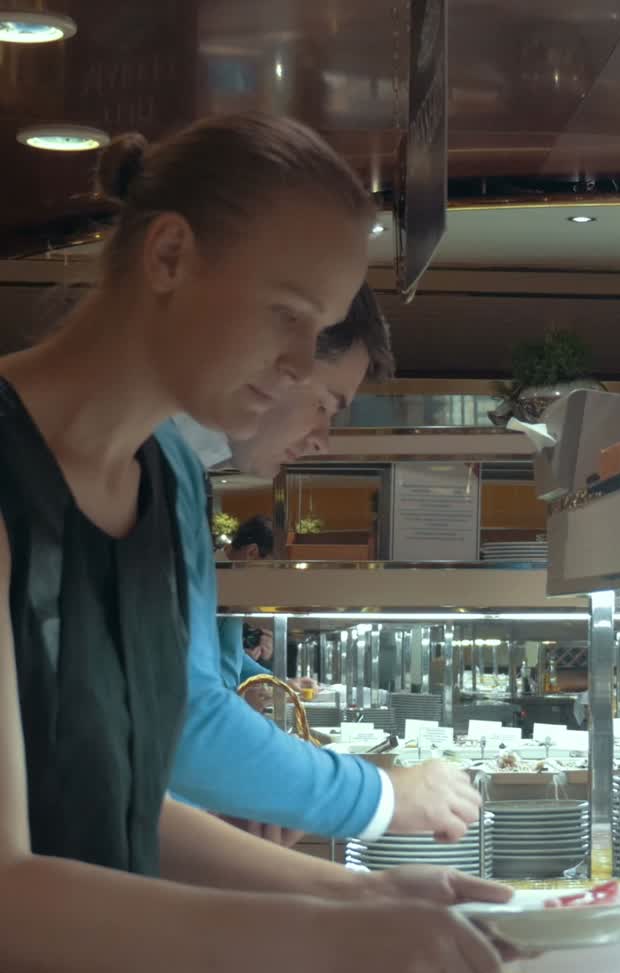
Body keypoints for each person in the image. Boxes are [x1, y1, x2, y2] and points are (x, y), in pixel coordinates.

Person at [0, 111, 508, 973]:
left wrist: (382, 898)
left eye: (320, 330)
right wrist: (332, 928)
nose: (299, 366)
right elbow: (10, 890)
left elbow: (119, 802)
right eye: (289, 318)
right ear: (168, 256)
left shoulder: (153, 490)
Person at [160, 289, 481, 845]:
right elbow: (183, 721)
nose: (322, 440)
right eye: (325, 403)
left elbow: (118, 768)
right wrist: (380, 795)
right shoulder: (143, 463)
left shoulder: (175, 472)